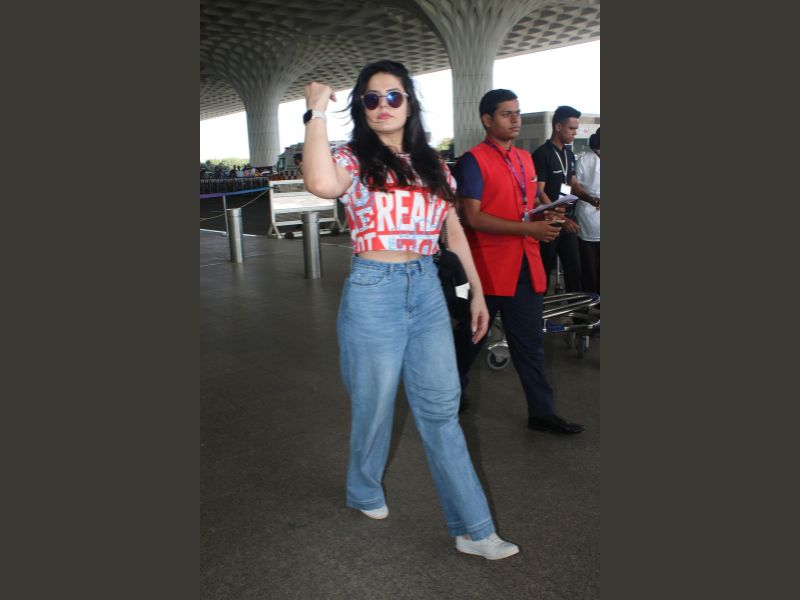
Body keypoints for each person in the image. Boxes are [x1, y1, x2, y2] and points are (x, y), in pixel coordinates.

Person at [302, 60, 519, 560]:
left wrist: (478, 292)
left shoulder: (433, 165)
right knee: (373, 406)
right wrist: (315, 110)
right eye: (371, 98)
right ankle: (363, 487)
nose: (383, 106)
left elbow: (453, 231)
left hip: (425, 290)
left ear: (410, 103)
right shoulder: (352, 158)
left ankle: (474, 530)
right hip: (373, 289)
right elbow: (320, 183)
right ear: (361, 107)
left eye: (393, 96)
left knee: (441, 409)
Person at [453, 89, 584, 435]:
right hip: (487, 269)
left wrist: (546, 214)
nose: (515, 120)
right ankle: (450, 389)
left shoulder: (525, 159)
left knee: (530, 343)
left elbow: (527, 206)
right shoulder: (473, 161)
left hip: (526, 264)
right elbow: (473, 218)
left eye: (518, 113)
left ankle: (542, 411)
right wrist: (529, 227)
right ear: (487, 119)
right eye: (506, 114)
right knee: (471, 338)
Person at [531, 106, 600, 293]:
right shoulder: (542, 154)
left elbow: (573, 184)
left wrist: (591, 199)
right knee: (544, 274)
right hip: (548, 223)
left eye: (576, 129)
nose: (575, 133)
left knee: (575, 272)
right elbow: (538, 192)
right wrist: (561, 219)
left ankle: (578, 310)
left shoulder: (568, 154)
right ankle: (540, 311)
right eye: (571, 128)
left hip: (567, 220)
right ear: (558, 127)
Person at [575, 128, 600, 294]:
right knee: (590, 267)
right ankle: (593, 301)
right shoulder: (585, 160)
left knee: (591, 267)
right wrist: (592, 199)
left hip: (588, 216)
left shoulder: (583, 160)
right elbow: (574, 188)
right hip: (589, 218)